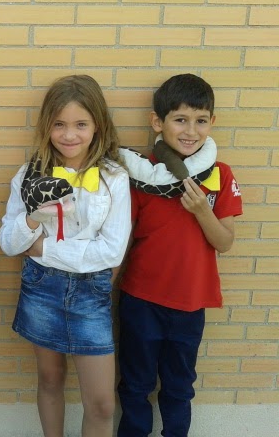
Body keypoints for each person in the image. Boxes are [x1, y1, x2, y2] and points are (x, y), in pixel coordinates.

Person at [0, 75, 131, 437]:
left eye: (80, 124)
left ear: (97, 125)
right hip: (43, 288)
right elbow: (9, 243)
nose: (69, 135)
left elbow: (112, 251)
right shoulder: (29, 175)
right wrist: (31, 219)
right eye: (59, 124)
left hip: (91, 294)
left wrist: (44, 248)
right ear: (47, 125)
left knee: (102, 403)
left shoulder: (114, 178)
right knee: (50, 379)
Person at [117, 74, 243, 437]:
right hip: (141, 300)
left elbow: (224, 242)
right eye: (180, 119)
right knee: (135, 384)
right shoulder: (141, 175)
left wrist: (203, 210)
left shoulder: (219, 175)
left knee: (178, 386)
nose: (191, 131)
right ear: (157, 122)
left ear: (212, 122)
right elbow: (121, 240)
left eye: (200, 120)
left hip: (190, 304)